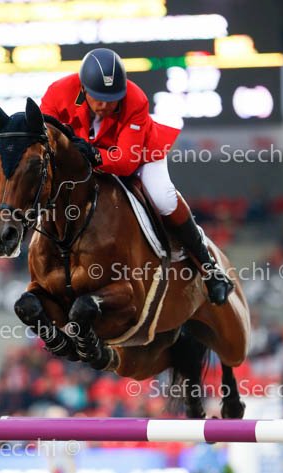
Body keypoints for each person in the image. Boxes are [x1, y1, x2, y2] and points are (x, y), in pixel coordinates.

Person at [40, 48, 233, 305]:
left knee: (163, 198)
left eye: (112, 99)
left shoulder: (135, 99)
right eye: (99, 98)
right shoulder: (58, 93)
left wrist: (94, 155)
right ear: (83, 89)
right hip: (84, 160)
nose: (105, 105)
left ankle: (209, 268)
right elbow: (44, 142)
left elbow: (125, 161)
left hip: (140, 154)